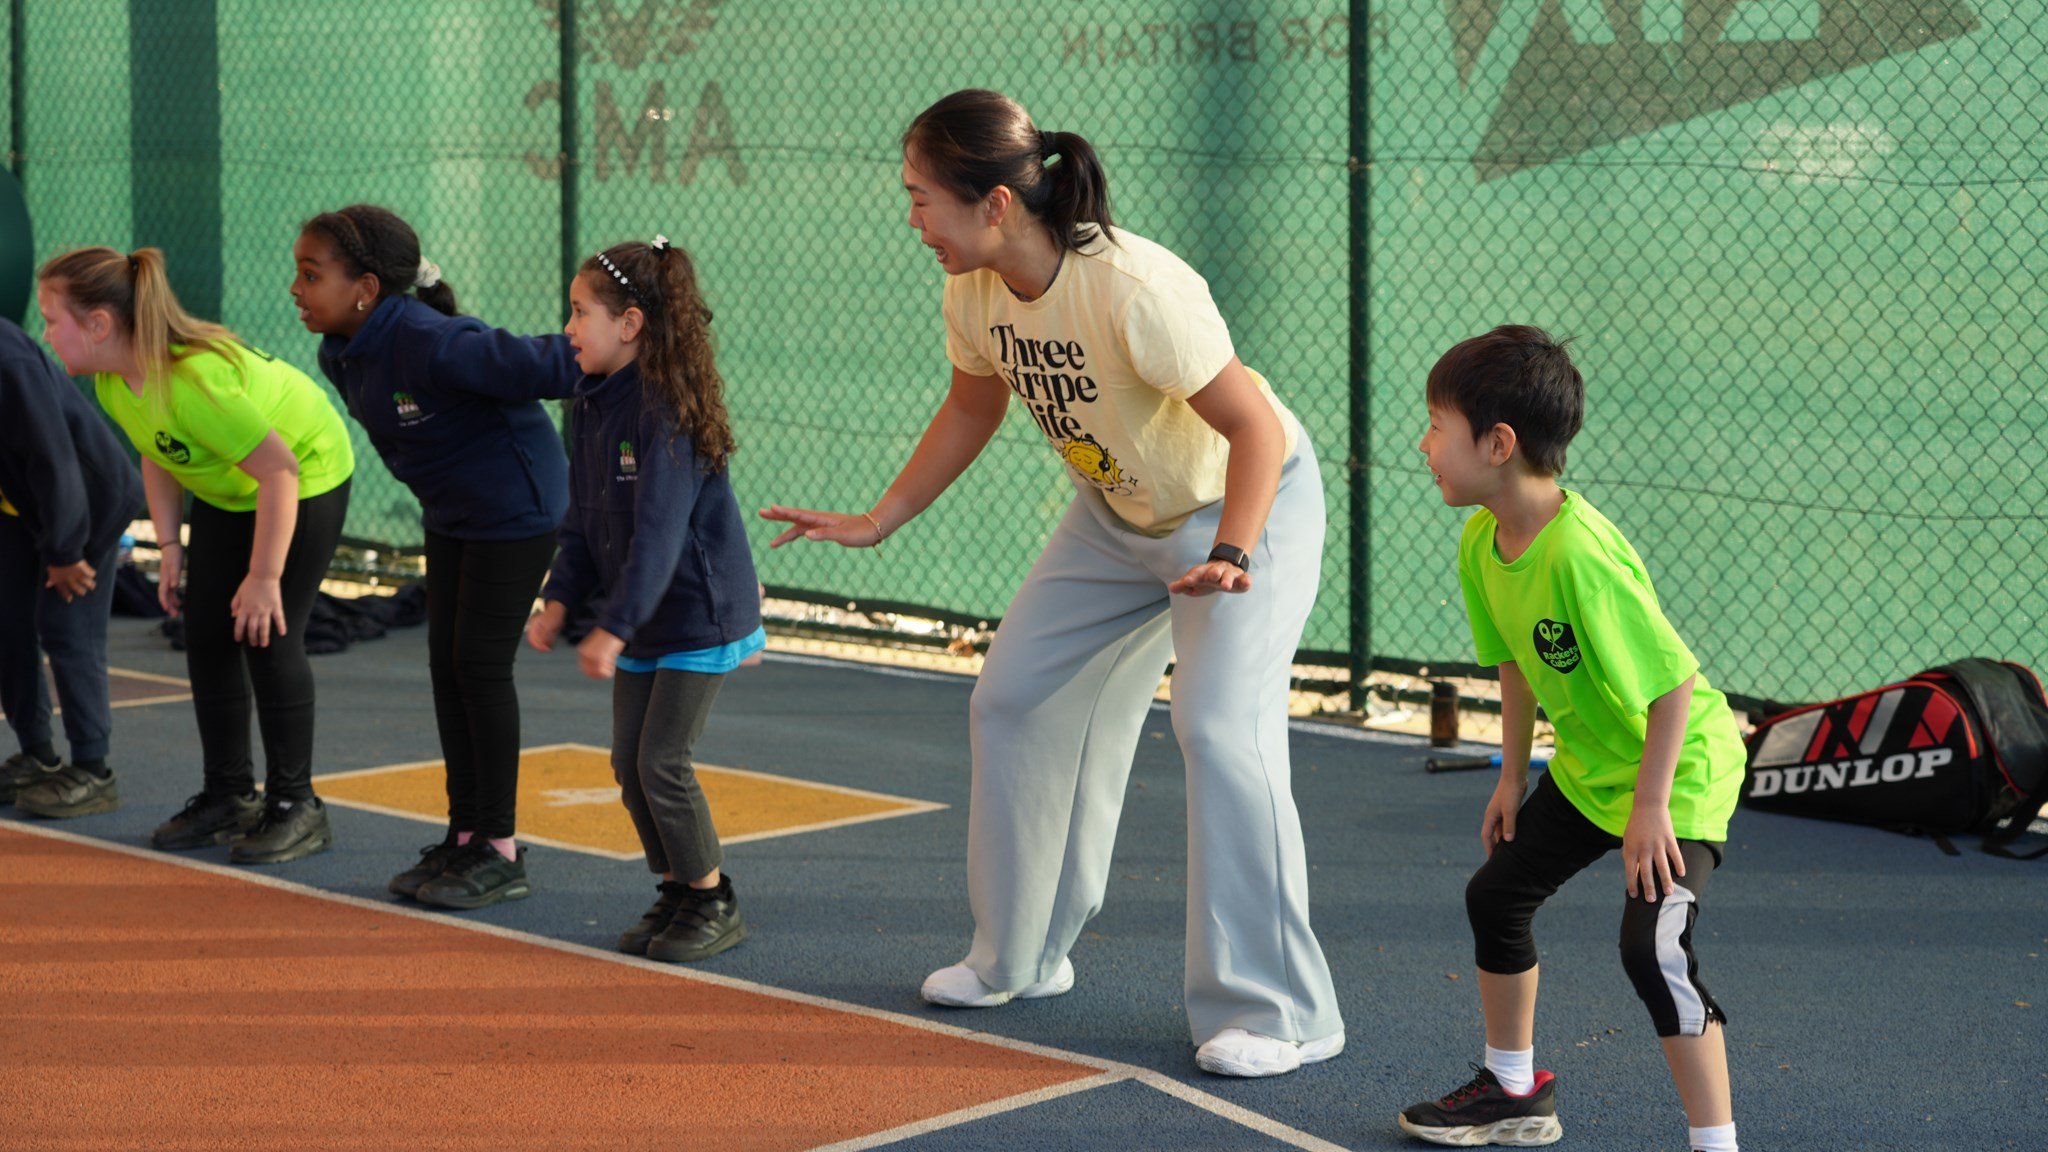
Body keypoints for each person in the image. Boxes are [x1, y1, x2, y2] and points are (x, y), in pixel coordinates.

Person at [760, 89, 1343, 1077]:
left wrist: (1233, 553)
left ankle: (1282, 1012)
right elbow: (968, 409)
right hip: (1113, 520)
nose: (911, 221)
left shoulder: (1133, 289)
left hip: (1243, 509)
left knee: (1217, 733)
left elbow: (1254, 428)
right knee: (1014, 699)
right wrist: (877, 519)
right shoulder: (973, 290)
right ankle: (1019, 960)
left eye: (921, 199)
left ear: (992, 203)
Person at [1401, 326, 1743, 1151]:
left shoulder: (1580, 556)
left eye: (1437, 428)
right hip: (1593, 770)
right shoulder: (1482, 538)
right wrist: (1510, 777)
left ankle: (1717, 1144)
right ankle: (1513, 1092)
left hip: (1679, 772)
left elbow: (1673, 686)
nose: (1424, 445)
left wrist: (1653, 808)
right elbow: (1517, 668)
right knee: (1496, 896)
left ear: (1498, 443)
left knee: (1651, 951)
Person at [294, 204, 578, 908]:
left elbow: (550, 364)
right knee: (446, 668)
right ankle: (464, 837)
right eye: (296, 273)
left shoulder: (435, 341)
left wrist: (640, 341)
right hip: (452, 513)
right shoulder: (340, 351)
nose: (296, 289)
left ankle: (501, 850)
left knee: (480, 669)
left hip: (516, 510)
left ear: (364, 287)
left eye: (311, 274)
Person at [37, 247, 354, 864]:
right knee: (205, 632)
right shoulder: (114, 382)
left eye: (53, 320)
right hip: (229, 485)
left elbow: (279, 472)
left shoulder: (194, 381)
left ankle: (296, 804)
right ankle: (228, 793)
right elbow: (158, 450)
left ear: (99, 324)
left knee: (266, 634)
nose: (45, 333)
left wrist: (264, 576)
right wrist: (171, 545)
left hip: (302, 475)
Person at [527, 235, 761, 962]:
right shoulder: (590, 405)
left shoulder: (664, 415)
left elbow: (658, 536)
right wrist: (563, 600)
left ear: (630, 324)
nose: (567, 329)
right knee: (628, 765)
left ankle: (712, 897)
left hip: (696, 616)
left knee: (663, 761)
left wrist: (613, 628)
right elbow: (585, 519)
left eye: (579, 312)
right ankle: (677, 888)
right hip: (640, 622)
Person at [0, 315, 143, 817]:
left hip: (87, 500)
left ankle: (93, 769)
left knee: (66, 628)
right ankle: (37, 755)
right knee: (8, 622)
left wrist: (65, 553)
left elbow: (54, 458)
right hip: (23, 504)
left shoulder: (7, 358)